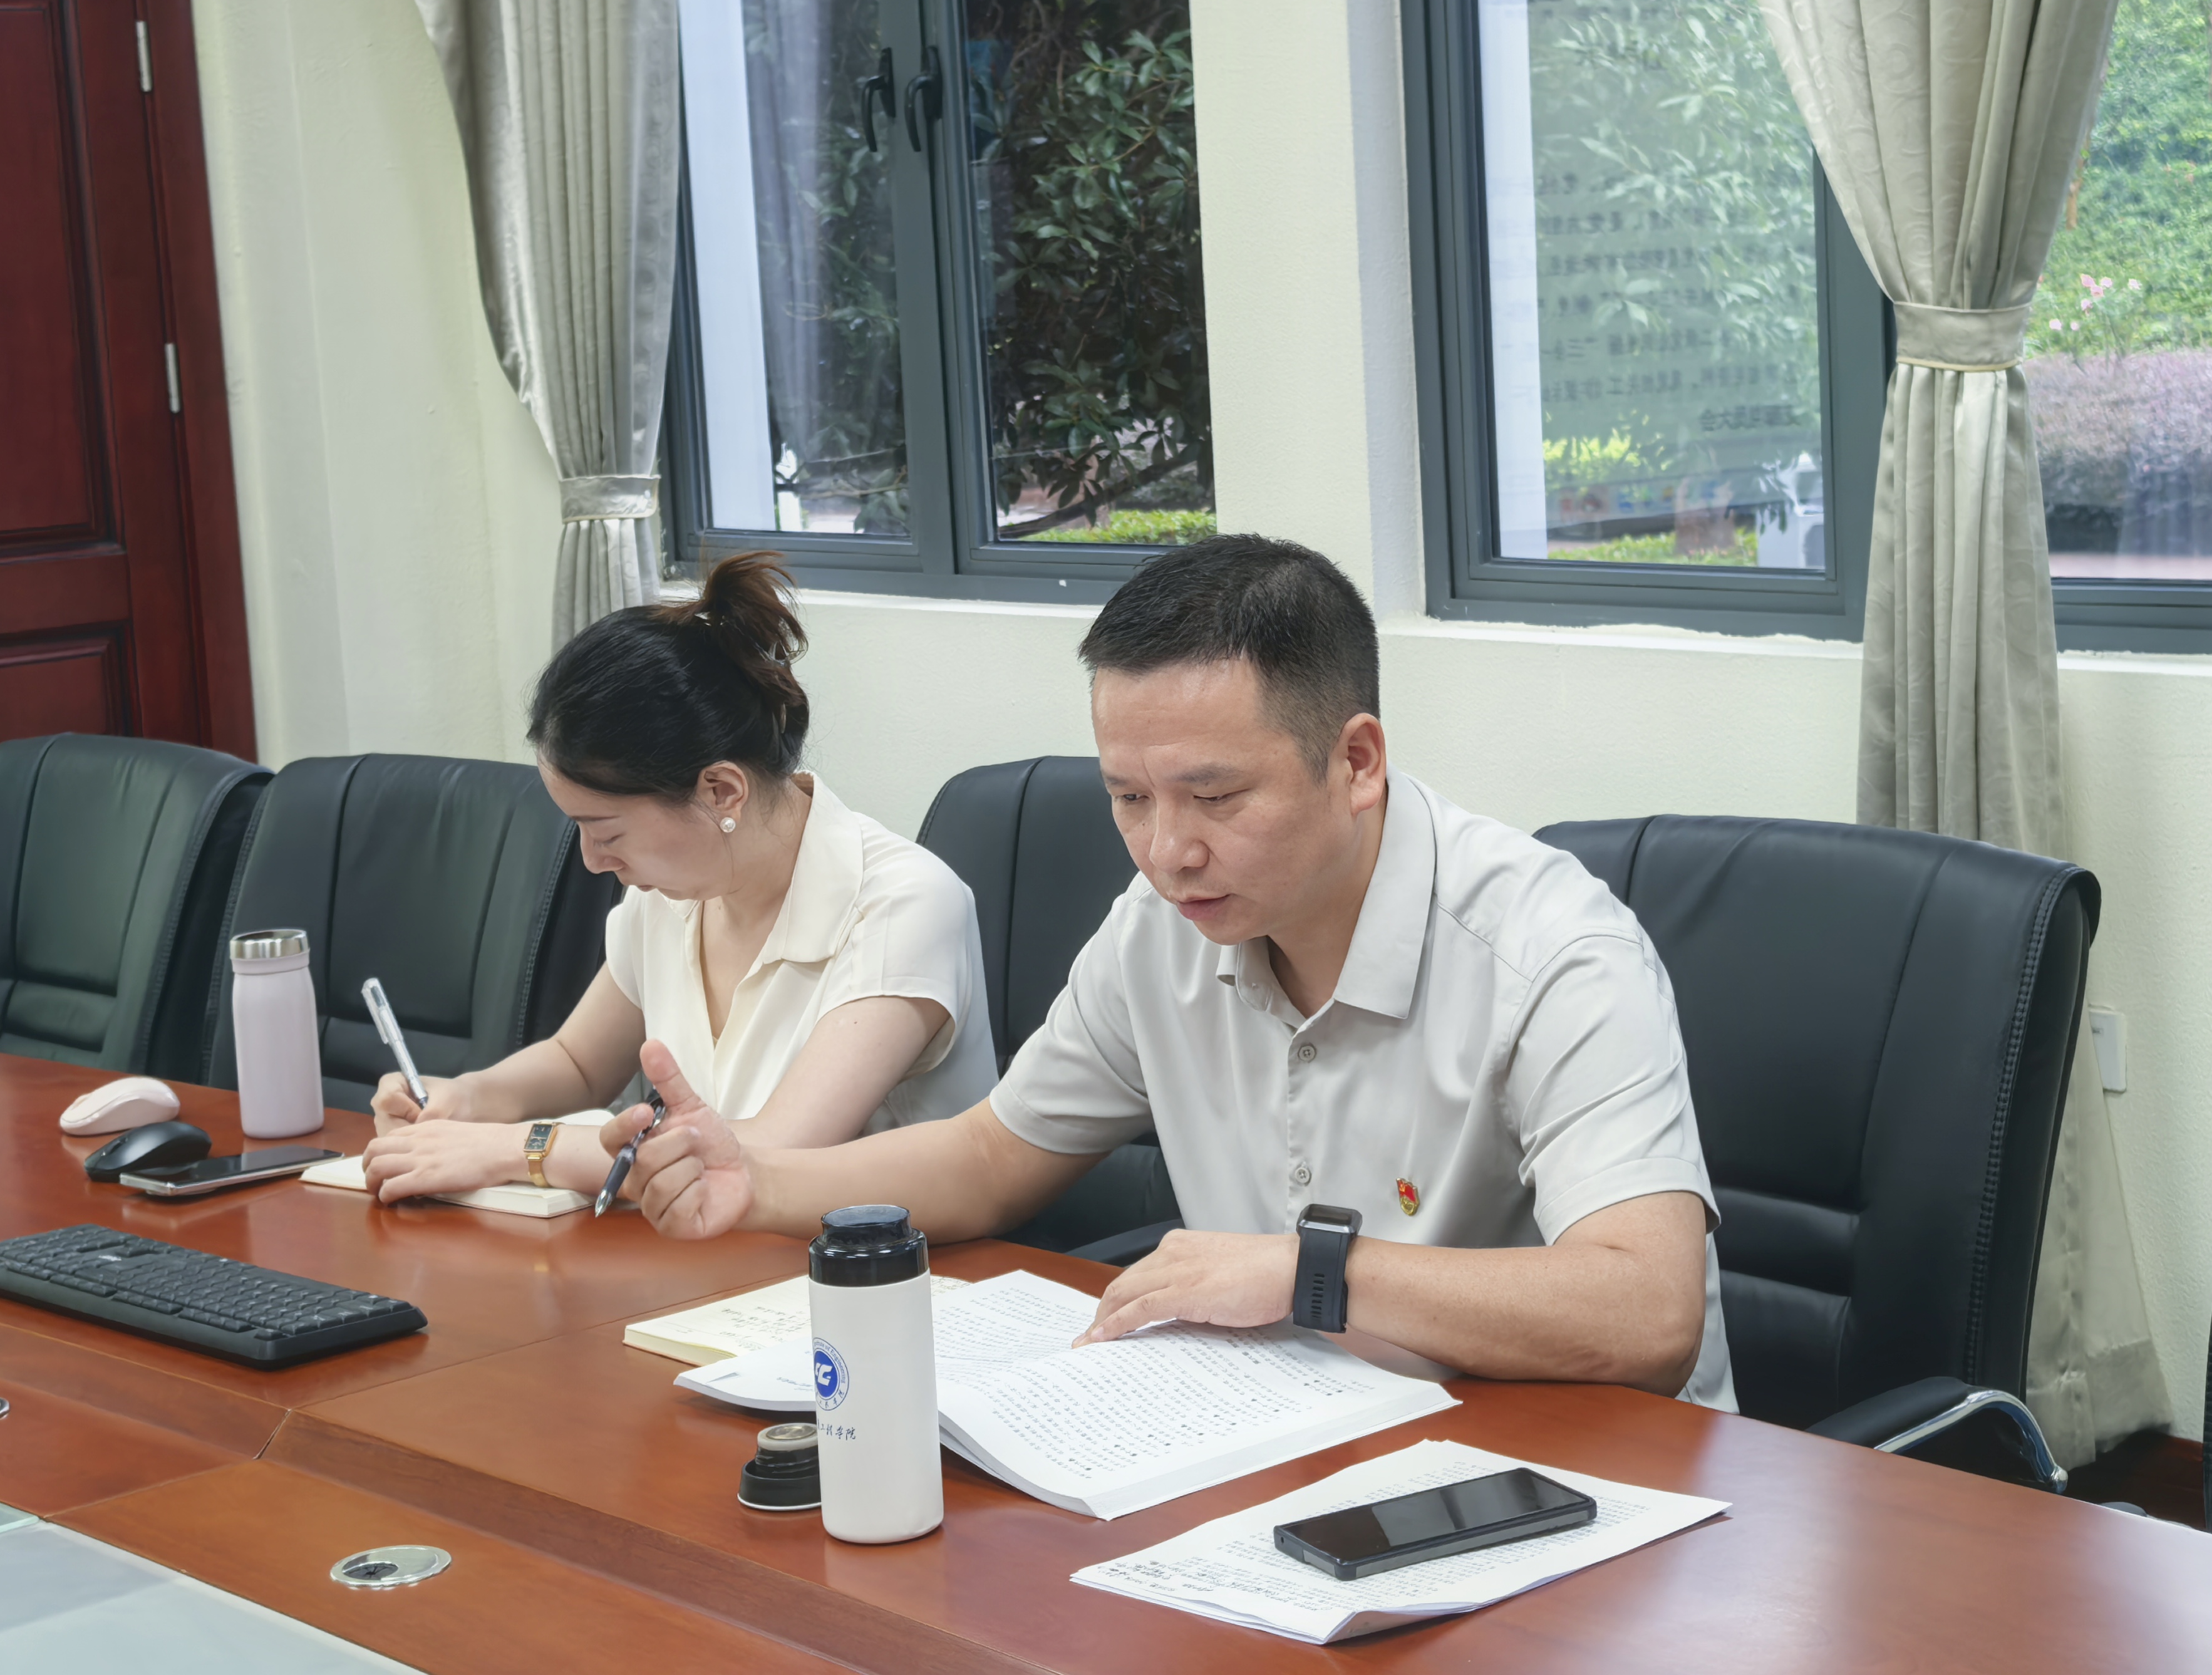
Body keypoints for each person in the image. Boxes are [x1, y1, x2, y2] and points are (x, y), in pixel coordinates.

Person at [599, 534, 1734, 1405]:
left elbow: (1646, 1310)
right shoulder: (1162, 925)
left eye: (1216, 795)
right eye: (1129, 797)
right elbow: (993, 1155)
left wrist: (1305, 1274)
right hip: (1288, 1433)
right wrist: (757, 1177)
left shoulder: (1553, 953)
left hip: (1572, 1472)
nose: (1166, 850)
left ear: (1356, 761)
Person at [362, 552, 997, 1203]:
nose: (592, 861)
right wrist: (464, 1100)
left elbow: (771, 1152)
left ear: (721, 791)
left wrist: (520, 1148)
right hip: (710, 1252)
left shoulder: (903, 904)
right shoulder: (675, 892)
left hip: (875, 1260)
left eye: (607, 833)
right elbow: (578, 1063)